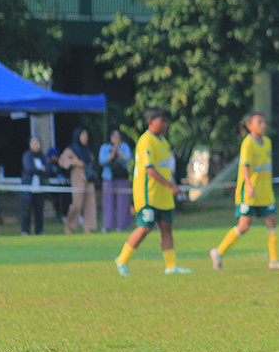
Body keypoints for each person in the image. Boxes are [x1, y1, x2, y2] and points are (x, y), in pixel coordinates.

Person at [114, 107, 193, 276]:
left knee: (166, 228)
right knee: (145, 228)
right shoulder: (146, 141)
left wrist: (172, 185)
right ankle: (122, 260)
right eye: (162, 121)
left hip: (164, 195)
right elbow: (150, 169)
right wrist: (171, 186)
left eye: (167, 121)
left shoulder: (163, 142)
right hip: (149, 194)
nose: (166, 124)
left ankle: (171, 266)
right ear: (151, 122)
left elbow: (166, 169)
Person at [210, 111, 279, 271]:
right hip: (249, 192)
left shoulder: (267, 142)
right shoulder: (248, 143)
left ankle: (274, 260)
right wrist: (249, 186)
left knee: (271, 222)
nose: (263, 125)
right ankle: (218, 252)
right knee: (244, 225)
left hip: (265, 192)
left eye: (264, 122)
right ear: (249, 125)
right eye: (259, 122)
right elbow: (245, 166)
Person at [59, 127, 97, 234]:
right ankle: (69, 225)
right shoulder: (72, 149)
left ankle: (87, 227)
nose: (85, 138)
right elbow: (62, 160)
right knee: (76, 204)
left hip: (88, 179)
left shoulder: (88, 149)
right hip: (77, 178)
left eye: (86, 135)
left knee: (90, 203)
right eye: (83, 135)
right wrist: (74, 162)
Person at [99, 130, 133, 233]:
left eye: (117, 137)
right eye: (114, 137)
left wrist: (118, 150)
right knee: (108, 203)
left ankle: (122, 225)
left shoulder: (124, 147)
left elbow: (127, 158)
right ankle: (108, 225)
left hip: (122, 178)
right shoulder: (105, 147)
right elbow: (102, 160)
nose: (115, 139)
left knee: (122, 202)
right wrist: (113, 151)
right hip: (109, 178)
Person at [20, 136, 48, 235]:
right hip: (28, 188)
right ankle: (25, 230)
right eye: (33, 143)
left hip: (39, 188)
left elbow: (47, 170)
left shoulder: (42, 157)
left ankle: (39, 230)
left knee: (39, 210)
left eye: (37, 143)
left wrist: (40, 171)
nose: (36, 145)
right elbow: (29, 169)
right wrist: (41, 170)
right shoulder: (27, 156)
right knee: (26, 211)